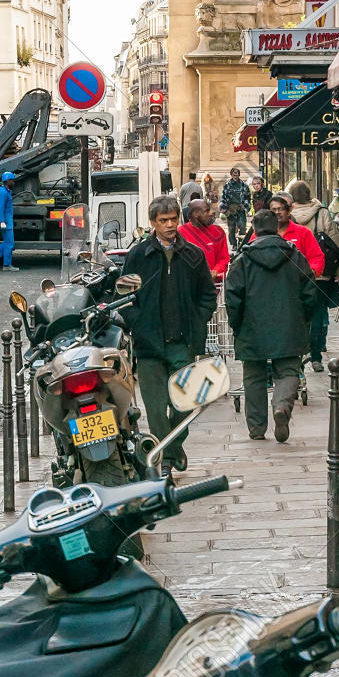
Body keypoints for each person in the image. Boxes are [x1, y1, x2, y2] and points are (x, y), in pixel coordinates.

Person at [122, 194, 218, 475]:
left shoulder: (193, 254)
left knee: (187, 403)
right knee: (155, 407)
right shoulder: (138, 255)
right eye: (163, 220)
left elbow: (207, 295)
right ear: (152, 223)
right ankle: (165, 459)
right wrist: (137, 323)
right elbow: (125, 296)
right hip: (149, 343)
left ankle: (172, 449)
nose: (169, 225)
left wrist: (199, 320)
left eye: (173, 219)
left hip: (183, 341)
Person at [225, 208, 317, 443]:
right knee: (288, 370)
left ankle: (256, 429)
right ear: (277, 227)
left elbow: (232, 297)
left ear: (254, 230)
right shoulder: (294, 256)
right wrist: (302, 319)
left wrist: (237, 325)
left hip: (252, 327)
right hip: (289, 325)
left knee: (253, 376)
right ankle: (282, 405)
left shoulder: (243, 260)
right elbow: (310, 292)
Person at [288, 179, 339, 372]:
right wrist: (338, 270)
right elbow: (335, 244)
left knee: (297, 316)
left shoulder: (287, 214)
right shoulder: (322, 213)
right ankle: (316, 356)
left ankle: (297, 354)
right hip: (319, 274)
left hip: (294, 276)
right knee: (318, 315)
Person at [267, 193, 325, 276]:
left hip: (298, 285)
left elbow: (316, 257)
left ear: (289, 211)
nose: (277, 212)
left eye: (281, 209)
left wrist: (310, 273)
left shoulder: (303, 232)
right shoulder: (261, 234)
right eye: (273, 210)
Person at [179, 196, 230, 283]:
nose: (211, 213)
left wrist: (216, 271)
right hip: (188, 285)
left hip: (213, 286)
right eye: (207, 210)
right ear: (196, 214)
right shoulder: (180, 233)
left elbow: (224, 258)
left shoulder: (218, 232)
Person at [220, 167, 252, 251]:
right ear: (231, 175)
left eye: (237, 174)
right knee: (231, 228)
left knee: (242, 226)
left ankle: (241, 243)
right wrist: (224, 209)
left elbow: (248, 196)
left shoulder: (244, 185)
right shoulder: (227, 185)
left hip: (240, 209)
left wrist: (246, 207)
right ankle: (233, 244)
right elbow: (223, 197)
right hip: (230, 209)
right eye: (234, 174)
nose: (235, 176)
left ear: (239, 174)